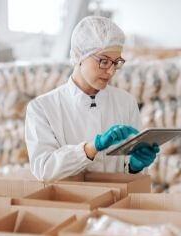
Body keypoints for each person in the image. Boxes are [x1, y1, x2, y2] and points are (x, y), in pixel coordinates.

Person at [25, 16, 159, 181]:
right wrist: (91, 149)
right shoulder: (42, 108)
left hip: (116, 203)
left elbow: (129, 173)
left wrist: (135, 166)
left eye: (116, 62)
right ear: (80, 56)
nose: (111, 71)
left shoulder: (126, 102)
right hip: (68, 203)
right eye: (103, 61)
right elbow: (43, 169)